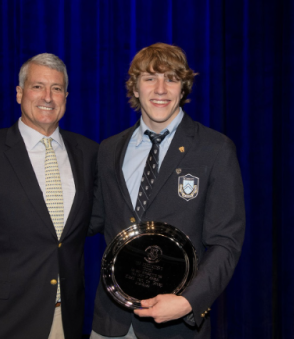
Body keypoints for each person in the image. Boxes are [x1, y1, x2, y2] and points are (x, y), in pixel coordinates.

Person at [89, 43, 245, 339]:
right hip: (111, 323)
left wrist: (188, 302)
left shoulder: (214, 149)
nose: (160, 89)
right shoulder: (109, 150)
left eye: (171, 79)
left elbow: (227, 242)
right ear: (135, 88)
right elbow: (92, 219)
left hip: (175, 326)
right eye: (149, 78)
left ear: (183, 88)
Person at [0, 53, 98, 339]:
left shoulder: (88, 153)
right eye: (37, 87)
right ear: (19, 93)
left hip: (65, 319)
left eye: (56, 89)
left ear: (66, 96)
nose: (47, 97)